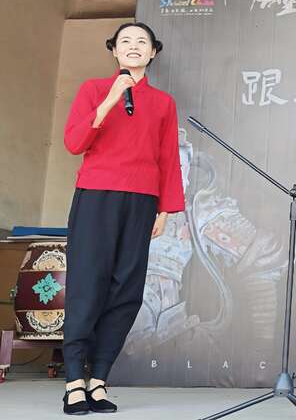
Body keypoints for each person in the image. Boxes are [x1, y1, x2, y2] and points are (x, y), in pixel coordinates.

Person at [61, 22, 184, 414]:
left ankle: (99, 378)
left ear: (153, 52)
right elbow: (74, 142)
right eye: (125, 41)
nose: (134, 46)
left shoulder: (163, 103)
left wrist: (165, 208)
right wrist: (111, 99)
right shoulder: (94, 89)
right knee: (86, 284)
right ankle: (73, 381)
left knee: (126, 290)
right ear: (114, 50)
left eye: (142, 42)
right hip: (96, 196)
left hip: (142, 200)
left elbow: (168, 157)